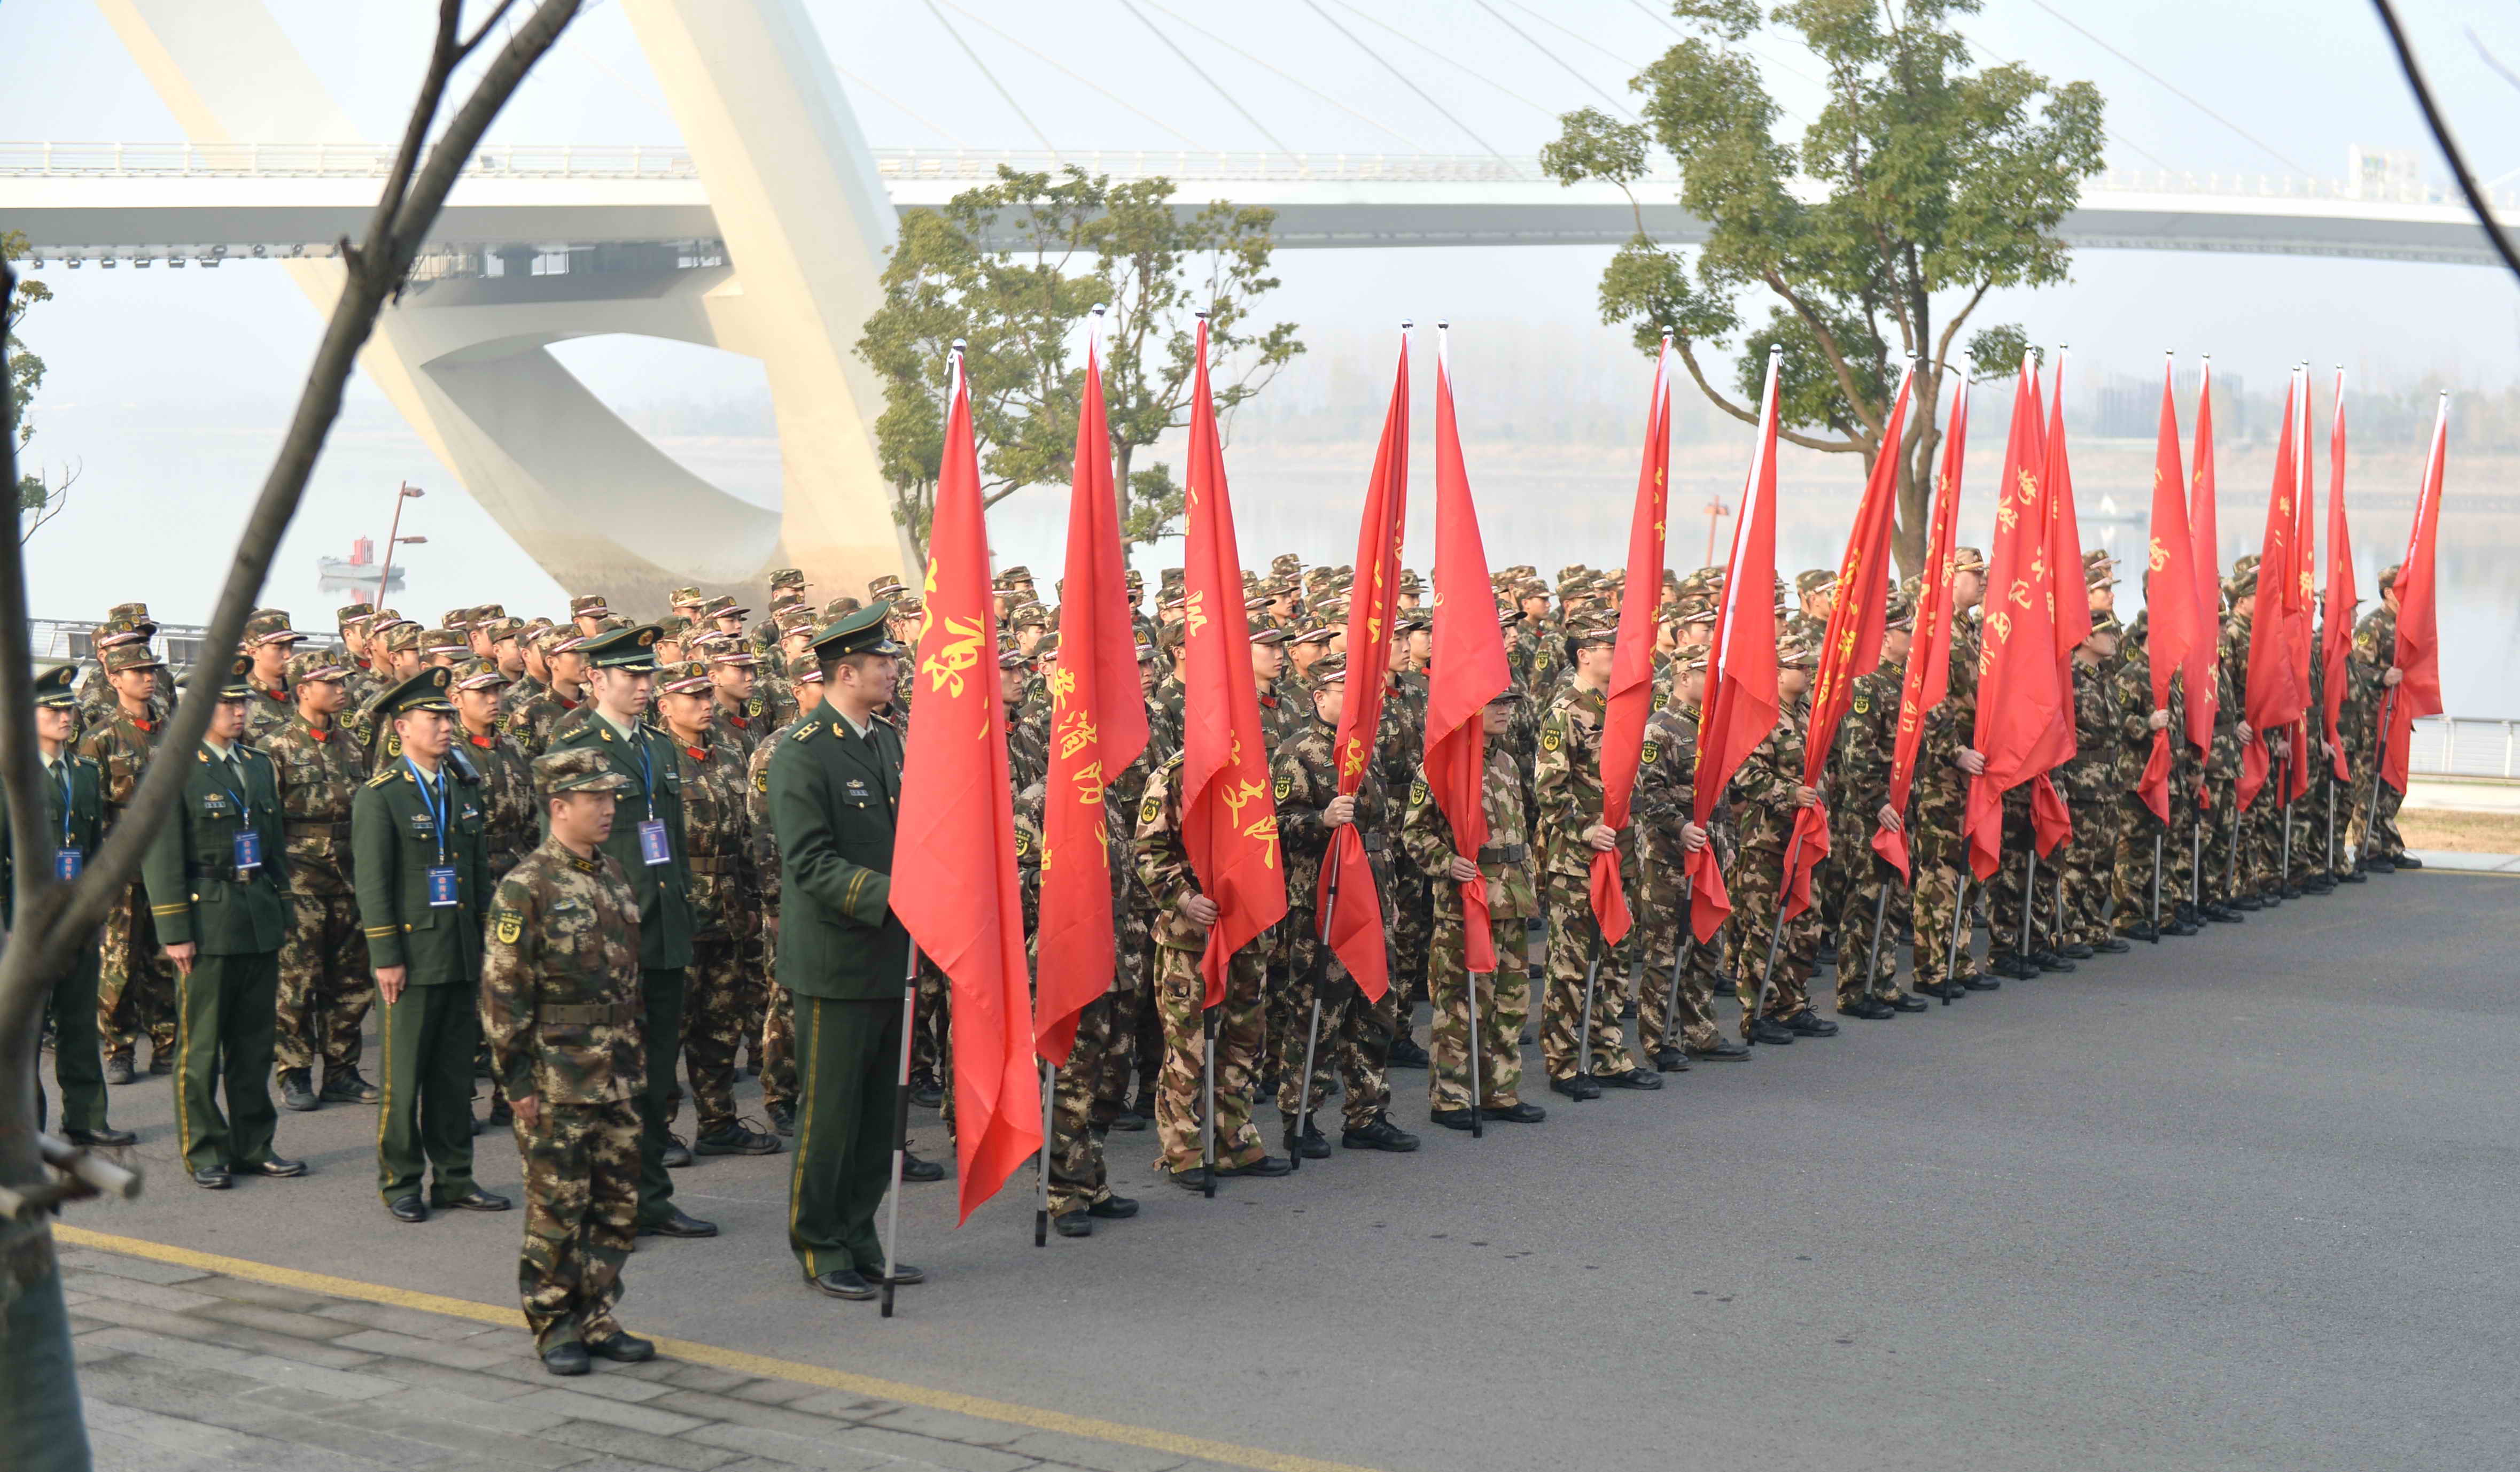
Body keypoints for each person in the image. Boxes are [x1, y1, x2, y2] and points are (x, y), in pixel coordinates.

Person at [767, 604, 941, 1300]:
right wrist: (896, 894)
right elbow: (808, 861)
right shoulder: (804, 750)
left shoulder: (889, 742)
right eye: (884, 663)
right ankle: (820, 1242)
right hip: (836, 962)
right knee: (832, 1111)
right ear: (848, 671)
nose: (895, 671)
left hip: (890, 957)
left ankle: (862, 1234)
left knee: (879, 1113)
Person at [480, 749, 657, 1377]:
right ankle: (554, 1323)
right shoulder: (526, 886)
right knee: (558, 1209)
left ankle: (598, 1314)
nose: (609, 810)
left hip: (618, 1071)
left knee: (615, 1204)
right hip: (559, 1078)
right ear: (560, 808)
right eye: (595, 800)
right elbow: (504, 995)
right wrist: (517, 1083)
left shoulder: (611, 873)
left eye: (612, 799)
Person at [549, 624, 717, 1240]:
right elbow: (564, 851)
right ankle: (601, 1202)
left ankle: (650, 1196)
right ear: (597, 680)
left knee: (654, 1075)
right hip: (606, 938)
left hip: (663, 930)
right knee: (604, 1078)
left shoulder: (658, 746)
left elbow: (666, 840)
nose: (645, 687)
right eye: (631, 676)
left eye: (649, 676)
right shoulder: (574, 742)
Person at [140, 657, 303, 1190]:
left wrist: (282, 906)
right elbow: (160, 855)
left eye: (243, 702)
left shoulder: (256, 764)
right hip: (206, 916)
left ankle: (254, 1144)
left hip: (256, 914)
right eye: (227, 703)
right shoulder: (174, 767)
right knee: (203, 1045)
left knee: (256, 1042)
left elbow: (274, 845)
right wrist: (174, 931)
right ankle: (205, 1149)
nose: (239, 711)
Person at [354, 668, 508, 1222]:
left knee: (452, 1075)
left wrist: (489, 944)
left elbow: (477, 872)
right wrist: (386, 958)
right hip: (412, 958)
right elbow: (373, 885)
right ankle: (400, 1181)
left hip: (460, 949)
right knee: (404, 1076)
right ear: (402, 728)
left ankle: (455, 1177)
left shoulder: (462, 787)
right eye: (434, 718)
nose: (446, 727)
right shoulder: (383, 796)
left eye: (448, 716)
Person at [1399, 683, 1547, 1130]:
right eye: (1496, 703)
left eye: (1509, 704)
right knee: (1461, 1003)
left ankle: (1499, 1090)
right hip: (1469, 899)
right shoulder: (1443, 766)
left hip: (1512, 898)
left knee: (1510, 1003)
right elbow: (1414, 833)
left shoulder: (1503, 761)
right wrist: (1448, 863)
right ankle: (1452, 1096)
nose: (1505, 711)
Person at [654, 658, 777, 1158]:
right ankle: (657, 1130)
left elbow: (751, 832)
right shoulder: (655, 757)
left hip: (729, 906)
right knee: (670, 1024)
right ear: (665, 707)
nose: (706, 706)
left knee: (722, 1023)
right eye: (693, 698)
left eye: (708, 697)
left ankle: (718, 1121)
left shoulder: (729, 751)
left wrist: (757, 900)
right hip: (680, 908)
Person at [11, 665, 134, 1147]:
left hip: (75, 922)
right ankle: (27, 1130)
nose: (66, 716)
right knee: (26, 1035)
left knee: (80, 1023)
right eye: (54, 709)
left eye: (69, 708)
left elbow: (89, 847)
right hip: (26, 927)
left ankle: (86, 1118)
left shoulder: (84, 772)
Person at [264, 649, 377, 1113]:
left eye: (341, 681)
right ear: (302, 690)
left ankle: (342, 1071)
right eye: (328, 683)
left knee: (350, 982)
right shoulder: (276, 748)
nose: (340, 689)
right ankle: (294, 1071)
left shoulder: (353, 745)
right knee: (298, 981)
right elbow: (266, 821)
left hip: (349, 878)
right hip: (301, 880)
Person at [84, 638, 179, 1082]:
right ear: (115, 679)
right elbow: (91, 811)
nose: (148, 677)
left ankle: (168, 1044)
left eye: (151, 670)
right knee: (119, 962)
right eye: (137, 671)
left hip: (168, 858)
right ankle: (118, 1048)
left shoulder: (175, 734)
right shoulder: (100, 738)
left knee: (165, 957)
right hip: (121, 864)